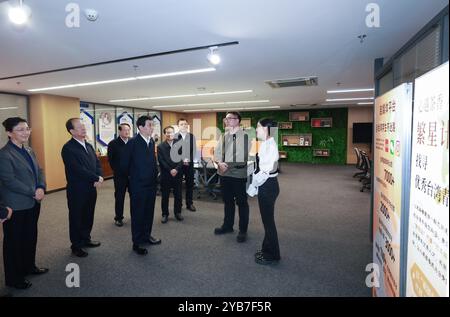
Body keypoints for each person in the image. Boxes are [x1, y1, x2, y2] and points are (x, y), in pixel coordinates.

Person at [0, 117, 48, 290]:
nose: (26, 132)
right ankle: (13, 278)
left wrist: (41, 186)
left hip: (33, 203)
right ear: (9, 133)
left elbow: (39, 170)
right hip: (16, 205)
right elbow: (9, 180)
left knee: (30, 236)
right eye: (20, 129)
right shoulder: (4, 154)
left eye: (27, 128)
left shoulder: (29, 150)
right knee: (14, 242)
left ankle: (29, 266)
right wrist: (32, 191)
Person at [61, 118, 103, 258]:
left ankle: (86, 239)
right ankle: (76, 245)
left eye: (84, 126)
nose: (84, 129)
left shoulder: (89, 145)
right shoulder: (68, 148)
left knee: (88, 215)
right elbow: (77, 169)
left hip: (91, 188)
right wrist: (95, 178)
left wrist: (99, 176)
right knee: (76, 217)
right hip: (77, 190)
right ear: (72, 131)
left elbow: (97, 163)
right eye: (80, 127)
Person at [121, 116, 161, 255]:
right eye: (150, 125)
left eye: (152, 125)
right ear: (141, 127)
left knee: (148, 212)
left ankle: (146, 236)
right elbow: (124, 165)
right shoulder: (132, 143)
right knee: (138, 214)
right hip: (138, 186)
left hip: (151, 185)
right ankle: (137, 242)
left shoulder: (151, 142)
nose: (152, 127)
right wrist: (132, 181)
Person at [247, 118, 281, 265]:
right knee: (267, 221)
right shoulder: (266, 144)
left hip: (268, 186)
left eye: (258, 127)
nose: (256, 130)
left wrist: (252, 186)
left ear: (267, 129)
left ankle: (273, 255)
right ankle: (267, 249)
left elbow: (264, 173)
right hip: (267, 185)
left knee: (268, 223)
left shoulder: (270, 146)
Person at [213, 112, 251, 243]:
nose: (227, 120)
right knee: (228, 201)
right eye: (226, 118)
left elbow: (242, 156)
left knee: (241, 202)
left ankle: (243, 230)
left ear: (237, 121)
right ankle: (227, 226)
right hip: (224, 174)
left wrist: (225, 165)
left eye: (229, 118)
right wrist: (219, 162)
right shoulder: (223, 136)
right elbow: (216, 152)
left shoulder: (245, 136)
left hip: (238, 174)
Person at [158, 126, 183, 223]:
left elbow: (182, 158)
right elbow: (161, 161)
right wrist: (170, 170)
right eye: (167, 132)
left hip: (178, 173)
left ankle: (178, 212)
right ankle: (165, 214)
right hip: (166, 174)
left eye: (171, 132)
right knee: (165, 195)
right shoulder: (160, 146)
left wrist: (176, 169)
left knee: (178, 194)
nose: (169, 134)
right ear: (164, 134)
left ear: (174, 133)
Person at [107, 123, 131, 227]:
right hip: (120, 176)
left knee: (134, 196)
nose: (127, 132)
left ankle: (134, 215)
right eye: (125, 130)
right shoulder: (113, 143)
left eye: (128, 130)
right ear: (120, 131)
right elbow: (111, 160)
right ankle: (118, 218)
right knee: (120, 197)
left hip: (132, 175)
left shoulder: (132, 142)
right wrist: (118, 171)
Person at [174, 118, 197, 212]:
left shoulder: (191, 136)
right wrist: (182, 159)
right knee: (178, 186)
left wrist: (188, 159)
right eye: (182, 124)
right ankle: (179, 204)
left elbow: (193, 150)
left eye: (185, 124)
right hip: (178, 165)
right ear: (178, 126)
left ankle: (189, 203)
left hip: (189, 164)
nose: (184, 125)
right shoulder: (174, 137)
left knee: (189, 185)